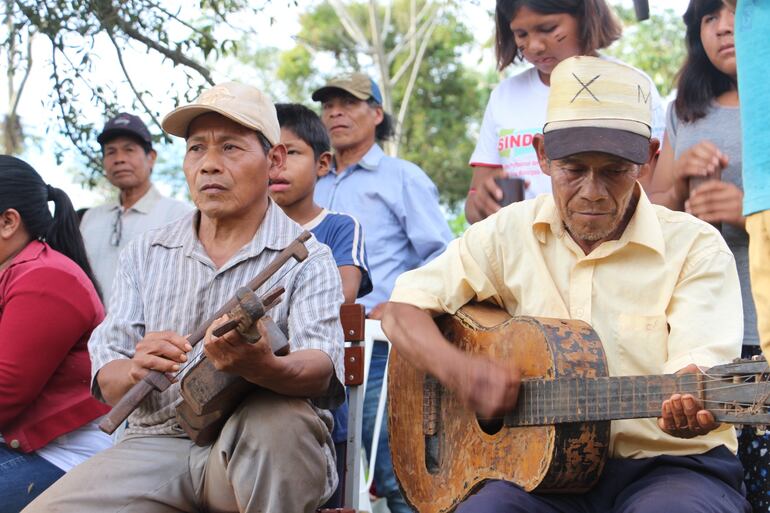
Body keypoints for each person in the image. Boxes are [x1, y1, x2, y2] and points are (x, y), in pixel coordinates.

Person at [381, 56, 750, 512]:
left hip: (669, 468)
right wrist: (463, 373)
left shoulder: (696, 247)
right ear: (541, 155)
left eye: (614, 170)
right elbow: (402, 311)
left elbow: (699, 368)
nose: (592, 191)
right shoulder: (507, 233)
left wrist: (689, 405)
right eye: (573, 169)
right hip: (536, 473)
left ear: (650, 160)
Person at [24, 82, 346, 513]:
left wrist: (266, 367)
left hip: (255, 446)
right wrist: (137, 368)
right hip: (156, 443)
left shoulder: (309, 256)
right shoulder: (145, 252)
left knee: (280, 423)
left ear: (274, 160)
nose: (209, 165)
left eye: (230, 148)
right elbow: (106, 373)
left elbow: (322, 366)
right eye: (197, 149)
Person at [312, 72, 452, 513]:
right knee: (323, 469)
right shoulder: (307, 181)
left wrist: (402, 306)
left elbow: (444, 256)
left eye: (349, 103)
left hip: (381, 348)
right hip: (316, 345)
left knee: (395, 469)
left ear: (376, 114)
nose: (335, 112)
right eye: (328, 104)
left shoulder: (401, 177)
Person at [645, 2, 766, 507]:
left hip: (763, 329)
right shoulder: (681, 112)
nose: (724, 27)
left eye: (738, 12)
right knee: (716, 482)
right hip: (704, 337)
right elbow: (649, 216)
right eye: (709, 16)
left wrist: (751, 213)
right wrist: (677, 187)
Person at [465, 0, 666, 224]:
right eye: (521, 34)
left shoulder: (631, 86)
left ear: (585, 16)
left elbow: (655, 193)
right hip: (523, 248)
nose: (534, 46)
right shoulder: (504, 96)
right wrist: (480, 202)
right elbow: (474, 203)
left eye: (548, 29)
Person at [270, 102, 373, 507]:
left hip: (323, 402)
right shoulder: (243, 232)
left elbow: (341, 295)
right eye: (269, 154)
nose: (277, 166)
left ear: (323, 163)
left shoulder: (338, 227)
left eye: (291, 153)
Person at [0, 156, 111, 512]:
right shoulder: (15, 271)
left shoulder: (47, 279)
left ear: (7, 222)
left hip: (60, 454)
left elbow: (4, 391)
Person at [79, 112, 191, 305]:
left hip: (151, 333)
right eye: (111, 151)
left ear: (151, 157)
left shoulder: (180, 216)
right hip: (93, 334)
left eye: (129, 150)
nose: (119, 159)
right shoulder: (90, 218)